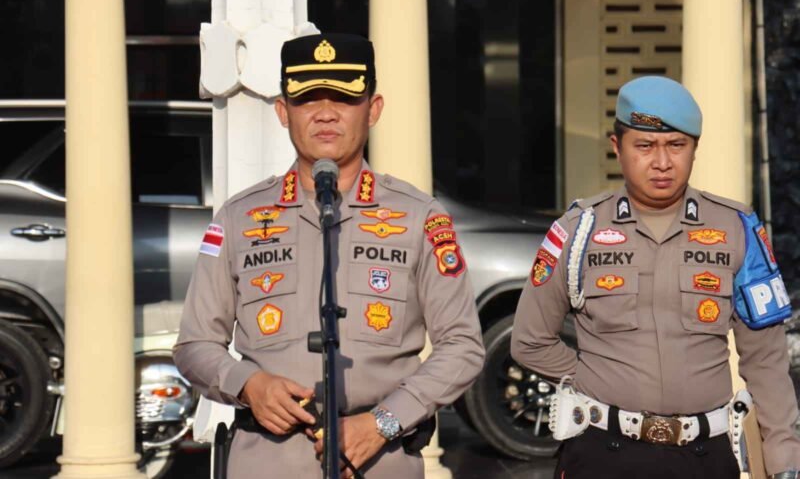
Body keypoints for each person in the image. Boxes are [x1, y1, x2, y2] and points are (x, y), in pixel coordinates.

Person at [173, 33, 485, 478]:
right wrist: (248, 385)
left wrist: (383, 422)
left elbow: (462, 347)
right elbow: (194, 344)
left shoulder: (419, 217)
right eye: (307, 99)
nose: (324, 113)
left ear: (373, 109)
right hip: (267, 459)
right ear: (284, 112)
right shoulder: (239, 217)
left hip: (379, 458)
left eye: (342, 98)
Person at [511, 75, 800, 479]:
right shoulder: (577, 230)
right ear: (617, 148)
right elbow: (529, 341)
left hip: (706, 458)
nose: (662, 162)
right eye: (645, 146)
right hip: (601, 454)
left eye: (676, 145)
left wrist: (784, 462)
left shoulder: (737, 229)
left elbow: (766, 361)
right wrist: (595, 381)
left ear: (695, 149)